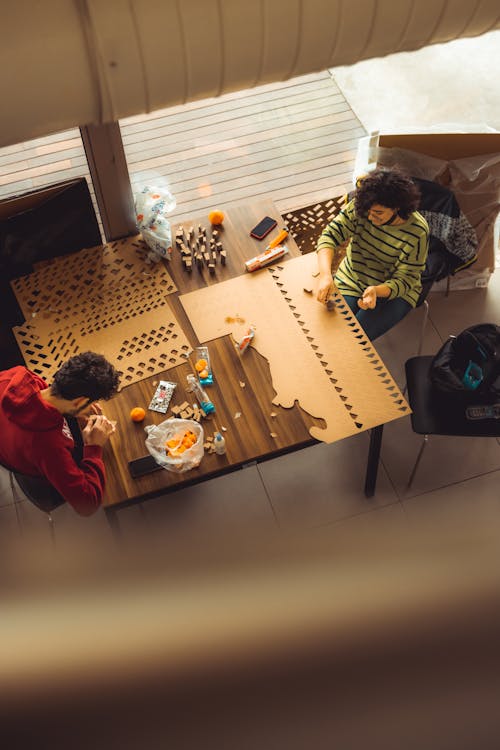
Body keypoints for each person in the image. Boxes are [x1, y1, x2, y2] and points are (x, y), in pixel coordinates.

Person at [0, 352, 120, 516]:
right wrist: (93, 447)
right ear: (79, 401)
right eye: (92, 402)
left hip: (10, 446)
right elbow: (87, 504)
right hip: (40, 478)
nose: (94, 406)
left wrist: (73, 409)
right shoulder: (48, 446)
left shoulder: (17, 375)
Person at [316, 168, 429, 341]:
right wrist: (325, 276)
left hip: (394, 292)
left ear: (397, 207)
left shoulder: (418, 231)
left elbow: (406, 280)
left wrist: (377, 290)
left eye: (378, 213)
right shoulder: (362, 206)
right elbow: (329, 236)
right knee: (330, 332)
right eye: (368, 211)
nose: (369, 218)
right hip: (353, 278)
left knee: (354, 340)